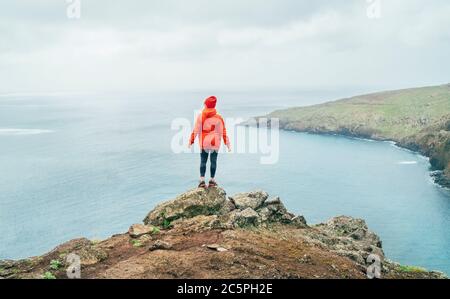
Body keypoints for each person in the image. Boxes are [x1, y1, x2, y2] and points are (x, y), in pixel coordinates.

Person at [189, 96, 231, 188]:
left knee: (203, 161)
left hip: (204, 142)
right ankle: (212, 181)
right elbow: (223, 131)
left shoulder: (201, 116)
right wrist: (227, 143)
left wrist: (191, 141)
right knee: (213, 161)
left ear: (206, 105)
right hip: (215, 143)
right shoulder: (219, 117)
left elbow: (196, 130)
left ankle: (202, 181)